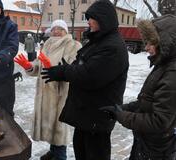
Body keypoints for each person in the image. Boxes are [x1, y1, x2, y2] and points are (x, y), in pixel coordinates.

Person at [41, 0, 129, 159]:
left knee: (94, 154)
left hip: (98, 116)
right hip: (87, 116)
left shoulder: (113, 47)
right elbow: (82, 63)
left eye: (91, 18)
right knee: (82, 152)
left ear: (104, 19)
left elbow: (90, 76)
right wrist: (70, 67)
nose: (88, 21)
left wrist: (63, 71)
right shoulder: (98, 41)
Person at [100, 14, 176, 160]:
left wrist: (121, 115)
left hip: (156, 149)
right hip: (147, 144)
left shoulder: (172, 73)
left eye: (150, 43)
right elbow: (147, 102)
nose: (146, 47)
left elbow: (159, 121)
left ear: (165, 43)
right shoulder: (163, 65)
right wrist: (121, 108)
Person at [14, 19, 82, 160]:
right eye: (54, 29)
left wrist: (54, 69)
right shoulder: (47, 45)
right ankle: (53, 152)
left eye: (60, 29)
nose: (56, 31)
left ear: (66, 31)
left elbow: (74, 69)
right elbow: (39, 66)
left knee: (59, 128)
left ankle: (60, 156)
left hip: (60, 93)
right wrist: (29, 66)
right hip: (45, 93)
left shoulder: (73, 45)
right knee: (51, 126)